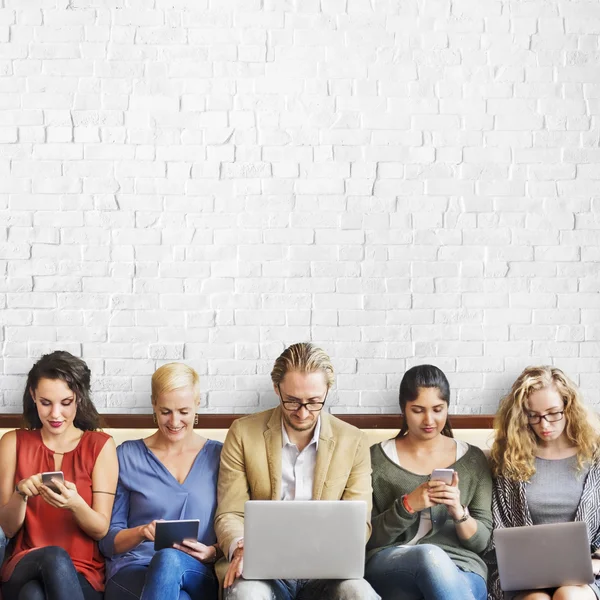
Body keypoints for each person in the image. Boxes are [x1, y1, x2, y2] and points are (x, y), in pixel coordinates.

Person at [215, 342, 380, 600]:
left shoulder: (354, 440)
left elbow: (360, 522)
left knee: (360, 594)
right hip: (262, 568)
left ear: (327, 391)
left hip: (327, 571)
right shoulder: (243, 433)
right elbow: (229, 513)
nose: (303, 413)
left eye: (314, 402)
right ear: (276, 389)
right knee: (246, 595)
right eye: (292, 401)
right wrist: (240, 547)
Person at [365, 364, 492, 600]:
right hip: (391, 564)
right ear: (403, 409)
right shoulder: (376, 459)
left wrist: (458, 512)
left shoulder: (473, 460)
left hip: (462, 569)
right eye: (418, 410)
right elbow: (367, 537)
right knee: (429, 556)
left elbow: (482, 543)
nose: (429, 420)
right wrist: (407, 506)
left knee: (434, 571)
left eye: (437, 409)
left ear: (447, 408)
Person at [0, 350, 118, 600]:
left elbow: (100, 529)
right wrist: (20, 494)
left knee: (33, 595)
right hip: (23, 564)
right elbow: (7, 529)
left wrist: (75, 505)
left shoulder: (100, 446)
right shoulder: (12, 442)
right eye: (45, 403)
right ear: (33, 395)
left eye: (65, 403)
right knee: (52, 556)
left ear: (79, 399)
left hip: (82, 573)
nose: (55, 414)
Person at [100, 363, 222, 600]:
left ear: (198, 404)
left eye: (183, 411)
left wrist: (213, 552)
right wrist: (141, 532)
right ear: (154, 404)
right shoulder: (127, 456)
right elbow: (107, 542)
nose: (174, 421)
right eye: (165, 411)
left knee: (169, 559)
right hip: (134, 570)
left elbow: (234, 521)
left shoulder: (220, 457)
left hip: (196, 571)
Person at [489, 366, 600, 600]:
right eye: (534, 415)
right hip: (525, 576)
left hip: (588, 573)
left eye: (553, 412)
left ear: (568, 407)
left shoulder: (595, 457)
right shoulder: (510, 460)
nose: (544, 424)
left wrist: (594, 563)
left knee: (568, 596)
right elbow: (499, 528)